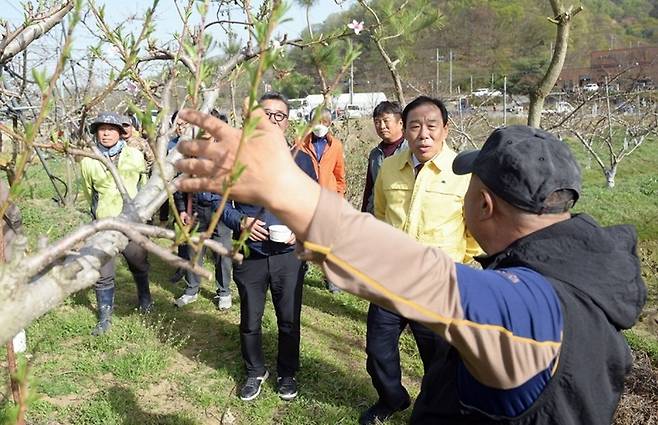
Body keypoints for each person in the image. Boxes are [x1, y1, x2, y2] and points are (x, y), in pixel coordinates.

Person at [174, 106, 646, 424]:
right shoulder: (583, 271)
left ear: (482, 204)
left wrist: (289, 191)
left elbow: (429, 280)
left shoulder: (535, 308)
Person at [362, 96, 481, 424]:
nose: (423, 134)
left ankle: (435, 411)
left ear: (445, 129)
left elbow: (472, 231)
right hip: (391, 280)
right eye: (415, 126)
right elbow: (382, 214)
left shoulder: (464, 173)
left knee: (439, 360)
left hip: (437, 285)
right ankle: (392, 398)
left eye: (431, 126)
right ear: (405, 129)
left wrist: (456, 265)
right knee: (377, 351)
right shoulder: (388, 167)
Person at [221, 92, 316, 402]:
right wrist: (240, 222)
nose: (273, 120)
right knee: (250, 318)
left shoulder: (301, 159)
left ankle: (287, 372)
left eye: (280, 116)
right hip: (250, 253)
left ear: (287, 123)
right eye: (267, 114)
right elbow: (216, 202)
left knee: (289, 319)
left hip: (289, 254)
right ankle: (254, 371)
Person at [81, 112, 152, 336]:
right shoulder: (88, 161)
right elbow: (89, 194)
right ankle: (104, 317)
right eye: (102, 129)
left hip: (132, 222)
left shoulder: (134, 155)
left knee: (138, 261)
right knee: (103, 271)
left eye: (111, 129)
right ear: (96, 133)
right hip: (104, 223)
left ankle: (145, 297)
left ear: (120, 132)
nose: (106, 133)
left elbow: (144, 186)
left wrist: (142, 216)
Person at [172, 110, 233, 310]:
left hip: (220, 209)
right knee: (193, 250)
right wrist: (182, 209)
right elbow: (182, 182)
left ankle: (224, 292)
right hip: (195, 208)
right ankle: (191, 289)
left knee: (222, 251)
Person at [360, 101, 407, 214]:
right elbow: (370, 188)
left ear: (400, 123)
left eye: (386, 121)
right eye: (377, 122)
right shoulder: (375, 154)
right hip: (377, 215)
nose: (381, 126)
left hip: (401, 215)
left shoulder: (410, 150)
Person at [300, 108, 346, 197]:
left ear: (329, 123)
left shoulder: (335, 145)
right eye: (317, 122)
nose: (320, 125)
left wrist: (339, 197)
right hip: (307, 198)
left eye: (324, 122)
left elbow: (339, 176)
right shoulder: (301, 144)